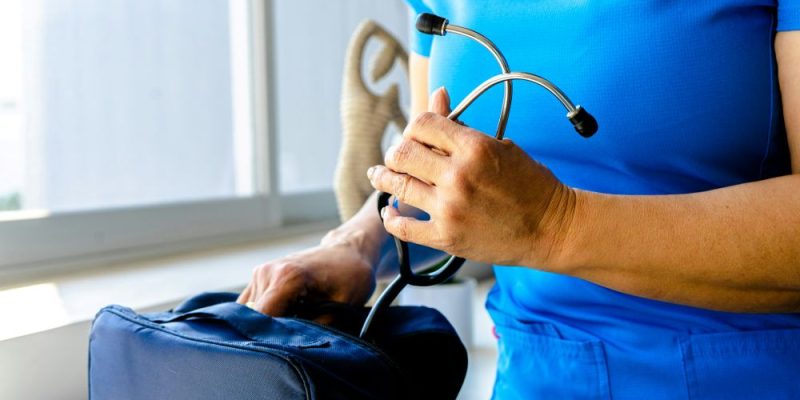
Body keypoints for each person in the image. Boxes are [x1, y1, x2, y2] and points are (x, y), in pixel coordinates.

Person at [238, 1, 800, 398]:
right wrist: (356, 244)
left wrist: (556, 225)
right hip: (533, 376)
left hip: (750, 376)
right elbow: (443, 179)